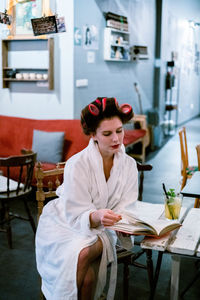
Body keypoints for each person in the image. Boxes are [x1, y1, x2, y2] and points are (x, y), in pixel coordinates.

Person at [35, 97, 138, 300]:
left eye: (119, 130)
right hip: (65, 222)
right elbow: (75, 213)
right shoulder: (78, 164)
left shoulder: (129, 165)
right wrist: (96, 215)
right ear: (93, 135)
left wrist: (118, 221)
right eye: (107, 134)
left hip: (107, 226)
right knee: (88, 278)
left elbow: (127, 206)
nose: (116, 139)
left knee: (82, 255)